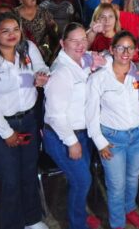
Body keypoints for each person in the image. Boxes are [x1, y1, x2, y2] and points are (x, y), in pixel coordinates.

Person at [0, 12, 50, 229]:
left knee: (28, 172)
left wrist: (41, 76)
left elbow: (40, 66)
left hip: (28, 120)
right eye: (5, 30)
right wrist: (6, 132)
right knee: (10, 179)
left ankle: (32, 220)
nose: (11, 34)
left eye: (15, 29)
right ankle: (11, 224)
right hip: (1, 126)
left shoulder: (28, 49)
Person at [86, 31, 139, 229]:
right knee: (116, 185)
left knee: (133, 178)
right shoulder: (98, 78)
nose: (125, 52)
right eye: (120, 47)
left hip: (138, 135)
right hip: (112, 138)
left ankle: (130, 209)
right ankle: (117, 223)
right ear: (111, 50)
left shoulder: (137, 71)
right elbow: (91, 114)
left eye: (130, 48)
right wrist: (100, 142)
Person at [43, 23, 105, 229]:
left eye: (83, 40)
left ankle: (79, 213)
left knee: (81, 179)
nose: (80, 45)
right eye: (74, 41)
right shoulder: (61, 72)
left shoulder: (82, 60)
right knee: (82, 181)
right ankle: (78, 224)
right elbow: (55, 115)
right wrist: (71, 142)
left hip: (83, 132)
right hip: (64, 137)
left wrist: (97, 64)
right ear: (62, 43)